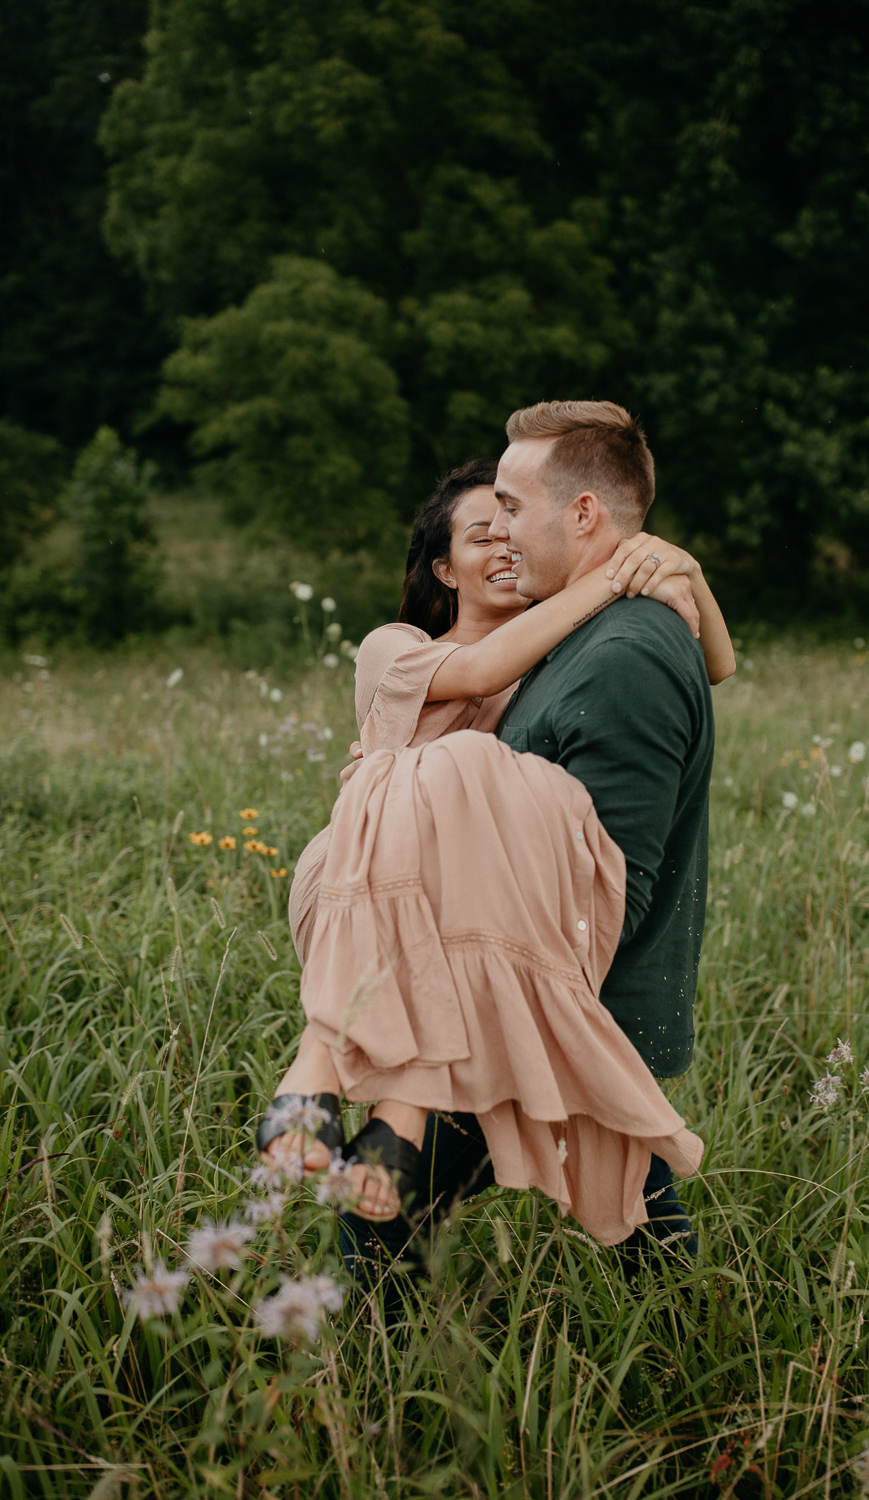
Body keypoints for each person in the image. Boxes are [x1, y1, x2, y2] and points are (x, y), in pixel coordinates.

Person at [258, 418, 731, 1254]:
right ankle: (318, 1068)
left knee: (612, 1152)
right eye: (485, 530)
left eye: (513, 514)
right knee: (444, 769)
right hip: (363, 891)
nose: (507, 539)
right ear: (444, 568)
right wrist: (620, 569)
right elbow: (477, 672)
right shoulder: (397, 648)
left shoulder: (547, 659)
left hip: (461, 921)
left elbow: (715, 666)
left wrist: (679, 566)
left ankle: (684, 1313)